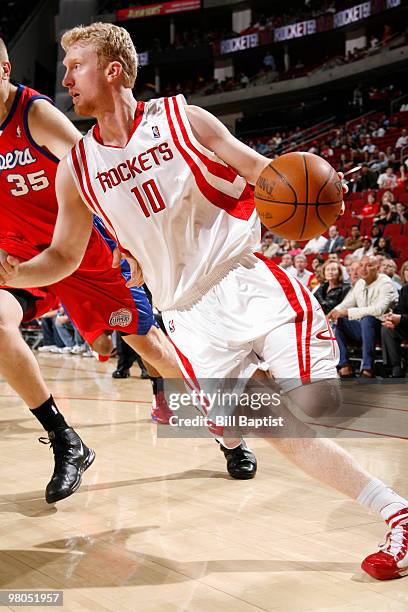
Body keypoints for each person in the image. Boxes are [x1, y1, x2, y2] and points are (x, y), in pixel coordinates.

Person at [3, 22, 408, 580]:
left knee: (313, 406)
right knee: (280, 431)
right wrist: (19, 269)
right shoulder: (76, 168)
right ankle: (396, 513)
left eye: (76, 65)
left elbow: (265, 176)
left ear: (113, 70)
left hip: (243, 284)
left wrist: (315, 185)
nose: (65, 77)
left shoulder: (184, 120)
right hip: (187, 319)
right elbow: (66, 255)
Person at [0, 37, 255, 503]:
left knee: (151, 348)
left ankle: (226, 431)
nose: (67, 76)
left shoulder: (33, 114)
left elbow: (97, 167)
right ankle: (65, 440)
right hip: (23, 256)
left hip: (86, 250)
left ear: (3, 67)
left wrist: (130, 241)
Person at [330, 255, 397, 378]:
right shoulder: (360, 283)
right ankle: (344, 366)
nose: (363, 269)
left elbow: (379, 310)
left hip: (381, 329)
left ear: (377, 268)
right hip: (362, 329)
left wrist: (348, 312)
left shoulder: (385, 283)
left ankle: (368, 368)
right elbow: (346, 303)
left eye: (369, 265)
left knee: (367, 318)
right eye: (361, 265)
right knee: (338, 321)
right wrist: (332, 313)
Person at [381, 284, 408, 377]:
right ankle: (395, 367)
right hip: (406, 325)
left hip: (405, 321)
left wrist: (401, 318)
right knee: (387, 328)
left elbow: (401, 317)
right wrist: (391, 318)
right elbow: (400, 311)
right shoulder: (405, 289)